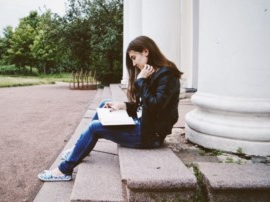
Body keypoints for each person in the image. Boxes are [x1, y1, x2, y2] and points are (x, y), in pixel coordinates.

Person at [38, 35, 183, 181]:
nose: (133, 64)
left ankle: (64, 170)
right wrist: (124, 106)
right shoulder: (152, 73)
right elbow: (143, 106)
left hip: (149, 136)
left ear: (145, 51)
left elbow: (155, 106)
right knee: (105, 104)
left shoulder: (166, 76)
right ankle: (80, 147)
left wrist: (141, 81)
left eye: (134, 57)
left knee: (95, 127)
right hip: (144, 124)